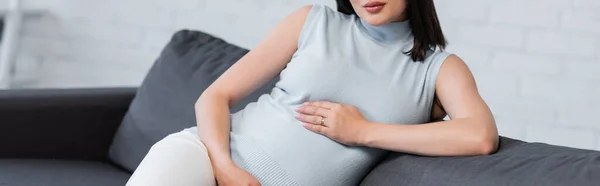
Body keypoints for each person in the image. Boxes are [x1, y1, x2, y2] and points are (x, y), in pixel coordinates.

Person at [126, 0, 499, 185]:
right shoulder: (315, 21)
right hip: (206, 159)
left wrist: (362, 132)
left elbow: (480, 136)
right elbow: (213, 96)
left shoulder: (439, 69)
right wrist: (226, 168)